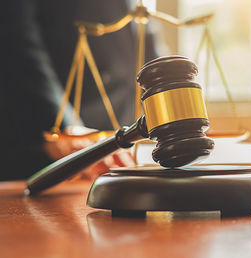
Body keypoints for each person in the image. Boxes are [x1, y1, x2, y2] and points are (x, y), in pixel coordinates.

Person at [0, 0, 164, 180]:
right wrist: (64, 126)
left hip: (119, 138)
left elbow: (143, 33)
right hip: (49, 143)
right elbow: (14, 33)